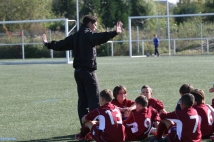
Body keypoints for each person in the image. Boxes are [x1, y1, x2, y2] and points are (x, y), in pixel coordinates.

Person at [41, 15, 123, 138]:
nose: (95, 28)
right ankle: (96, 130)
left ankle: (84, 130)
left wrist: (48, 44)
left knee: (82, 102)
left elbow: (61, 44)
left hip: (78, 73)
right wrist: (114, 33)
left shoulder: (75, 36)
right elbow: (99, 37)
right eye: (95, 25)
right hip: (88, 73)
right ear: (89, 23)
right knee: (95, 101)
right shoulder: (87, 34)